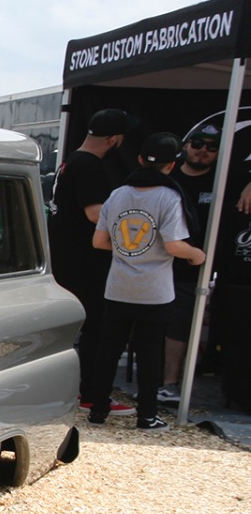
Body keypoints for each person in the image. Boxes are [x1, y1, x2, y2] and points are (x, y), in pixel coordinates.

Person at [86, 132, 206, 430]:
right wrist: (197, 255)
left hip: (118, 286)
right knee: (150, 353)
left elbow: (99, 242)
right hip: (154, 290)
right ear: (172, 164)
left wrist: (128, 250)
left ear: (140, 159)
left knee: (109, 350)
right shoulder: (169, 196)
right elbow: (174, 245)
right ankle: (147, 416)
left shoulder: (118, 194)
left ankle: (97, 411)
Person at [50, 107, 134, 416]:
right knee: (96, 328)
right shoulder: (89, 166)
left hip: (65, 258)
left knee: (73, 329)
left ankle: (73, 391)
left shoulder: (71, 160)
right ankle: (90, 394)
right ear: (113, 139)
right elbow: (95, 213)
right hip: (85, 262)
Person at [160, 122, 220, 402]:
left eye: (211, 147)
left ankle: (170, 383)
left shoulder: (222, 182)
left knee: (181, 325)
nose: (203, 151)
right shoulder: (167, 179)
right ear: (185, 146)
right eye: (197, 144)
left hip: (195, 269)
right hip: (157, 264)